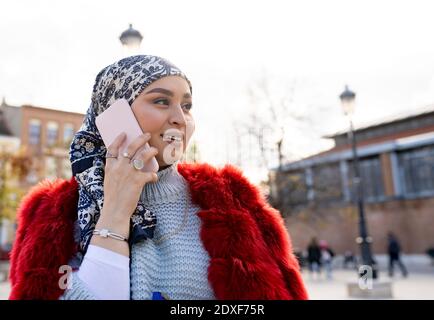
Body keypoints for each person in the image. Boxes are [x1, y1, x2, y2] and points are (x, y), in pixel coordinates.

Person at [8, 55, 308, 300]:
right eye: (162, 101)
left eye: (187, 106)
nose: (180, 117)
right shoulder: (51, 216)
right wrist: (114, 211)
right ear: (114, 114)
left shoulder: (235, 203)